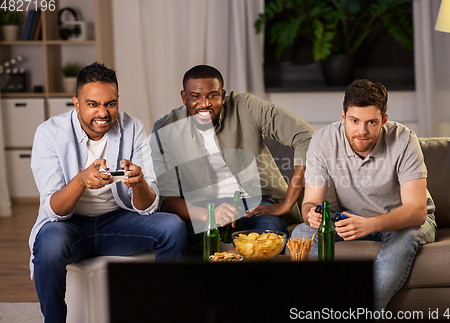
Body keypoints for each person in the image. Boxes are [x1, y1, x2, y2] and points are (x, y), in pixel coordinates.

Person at [29, 62, 187, 322]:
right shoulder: (49, 133)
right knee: (48, 244)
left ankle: (164, 313)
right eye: (93, 104)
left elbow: (148, 207)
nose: (103, 113)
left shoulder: (133, 128)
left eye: (110, 104)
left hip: (118, 222)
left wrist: (138, 184)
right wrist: (81, 181)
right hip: (69, 226)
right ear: (76, 103)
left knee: (173, 228)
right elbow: (54, 209)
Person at [291, 79, 436, 311]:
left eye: (371, 122)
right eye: (354, 121)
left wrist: (370, 225)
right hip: (352, 218)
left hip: (404, 222)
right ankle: (319, 308)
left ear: (384, 121)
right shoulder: (322, 140)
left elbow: (417, 211)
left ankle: (357, 312)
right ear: (343, 116)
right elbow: (310, 203)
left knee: (406, 238)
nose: (362, 131)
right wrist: (311, 215)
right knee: (301, 232)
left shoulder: (404, 140)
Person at [151, 65, 314, 252]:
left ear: (223, 94)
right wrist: (210, 215)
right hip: (200, 207)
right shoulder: (166, 129)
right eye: (195, 96)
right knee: (183, 238)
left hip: (254, 202)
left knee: (269, 233)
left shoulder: (247, 107)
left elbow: (306, 137)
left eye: (212, 95)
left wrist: (287, 203)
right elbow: (166, 198)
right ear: (184, 96)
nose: (204, 104)